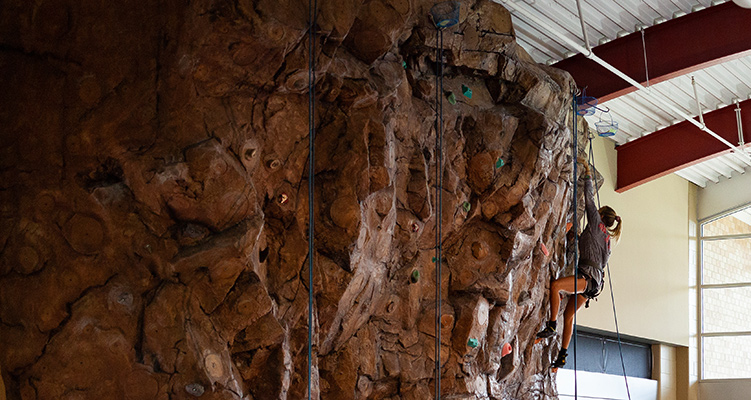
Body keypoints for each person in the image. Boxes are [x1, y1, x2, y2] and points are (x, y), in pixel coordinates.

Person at [535, 157, 622, 369]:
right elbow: (591, 251)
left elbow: (588, 198)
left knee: (556, 286)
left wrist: (586, 172)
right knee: (570, 314)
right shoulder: (608, 239)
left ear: (601, 216)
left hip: (587, 278)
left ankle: (551, 326)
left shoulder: (596, 221)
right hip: (595, 283)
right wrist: (574, 236)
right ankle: (562, 357)